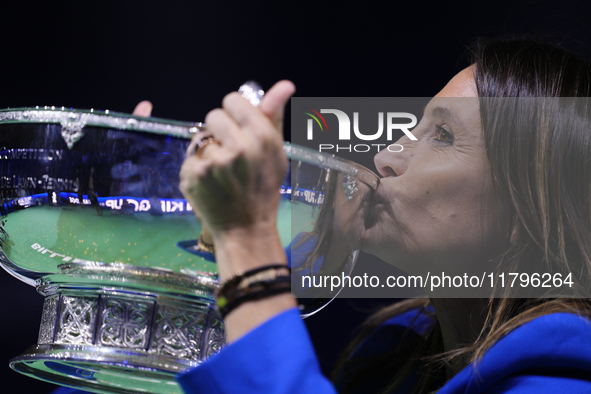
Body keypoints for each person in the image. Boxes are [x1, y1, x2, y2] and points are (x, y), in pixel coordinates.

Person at [49, 37, 591, 393]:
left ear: (529, 208)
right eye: (414, 127)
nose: (385, 156)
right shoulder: (390, 361)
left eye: (443, 136)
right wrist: (143, 267)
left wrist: (249, 244)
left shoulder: (564, 383)